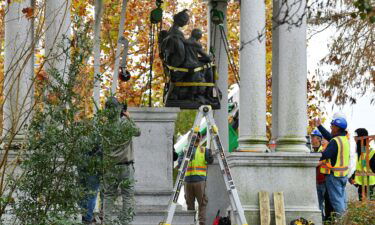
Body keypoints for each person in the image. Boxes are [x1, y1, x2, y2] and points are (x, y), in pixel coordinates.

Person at [102, 97, 141, 224]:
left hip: (109, 167)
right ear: (119, 109)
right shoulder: (124, 124)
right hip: (125, 166)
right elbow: (138, 132)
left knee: (108, 196)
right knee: (127, 196)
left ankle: (107, 222)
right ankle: (125, 222)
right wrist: (129, 117)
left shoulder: (105, 127)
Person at [315, 116, 350, 218]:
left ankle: (343, 221)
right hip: (342, 175)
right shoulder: (343, 139)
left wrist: (315, 155)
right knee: (342, 201)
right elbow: (329, 136)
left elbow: (326, 154)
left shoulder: (335, 141)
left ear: (337, 128)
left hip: (334, 176)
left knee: (337, 202)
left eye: (332, 126)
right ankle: (346, 220)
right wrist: (319, 126)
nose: (331, 128)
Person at [178, 132, 214, 225]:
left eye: (198, 136)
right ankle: (191, 223)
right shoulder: (184, 151)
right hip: (189, 181)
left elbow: (210, 161)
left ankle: (201, 223)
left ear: (200, 138)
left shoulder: (204, 150)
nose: (197, 138)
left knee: (201, 204)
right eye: (194, 137)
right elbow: (180, 164)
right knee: (190, 205)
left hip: (199, 181)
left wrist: (210, 154)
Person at [350, 128, 375, 200]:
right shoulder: (360, 151)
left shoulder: (369, 152)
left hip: (369, 183)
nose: (354, 139)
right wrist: (353, 176)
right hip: (362, 183)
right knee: (363, 206)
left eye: (356, 136)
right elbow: (359, 166)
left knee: (368, 206)